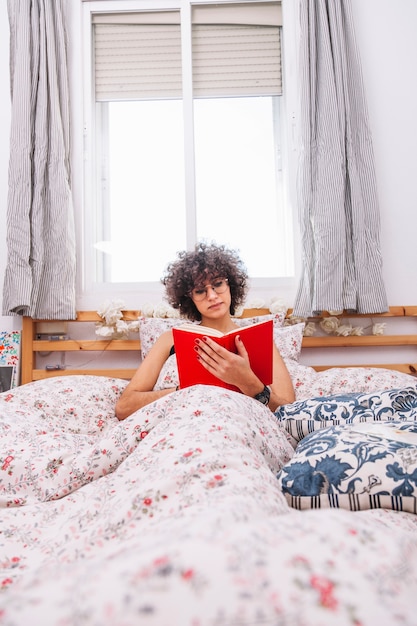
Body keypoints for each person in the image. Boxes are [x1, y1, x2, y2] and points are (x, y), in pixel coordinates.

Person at [115, 243, 295, 420]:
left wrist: (249, 383)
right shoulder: (169, 340)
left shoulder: (260, 339)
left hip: (240, 423)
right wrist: (183, 391)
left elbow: (289, 410)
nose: (212, 296)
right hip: (183, 422)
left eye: (218, 284)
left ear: (230, 285)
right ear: (189, 299)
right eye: (200, 291)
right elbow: (124, 407)